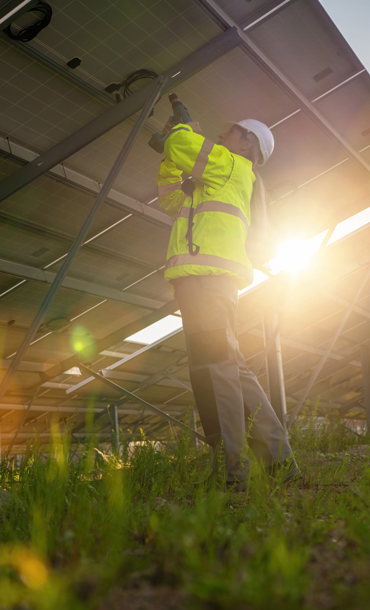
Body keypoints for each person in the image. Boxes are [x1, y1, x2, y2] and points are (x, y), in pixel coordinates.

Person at [157, 117, 299, 490]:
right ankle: (280, 462)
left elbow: (184, 145)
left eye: (231, 132)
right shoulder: (213, 180)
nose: (221, 135)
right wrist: (171, 152)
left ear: (247, 143)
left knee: (217, 371)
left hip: (206, 281)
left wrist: (182, 128)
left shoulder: (233, 165)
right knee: (231, 370)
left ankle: (235, 473)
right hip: (203, 283)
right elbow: (170, 196)